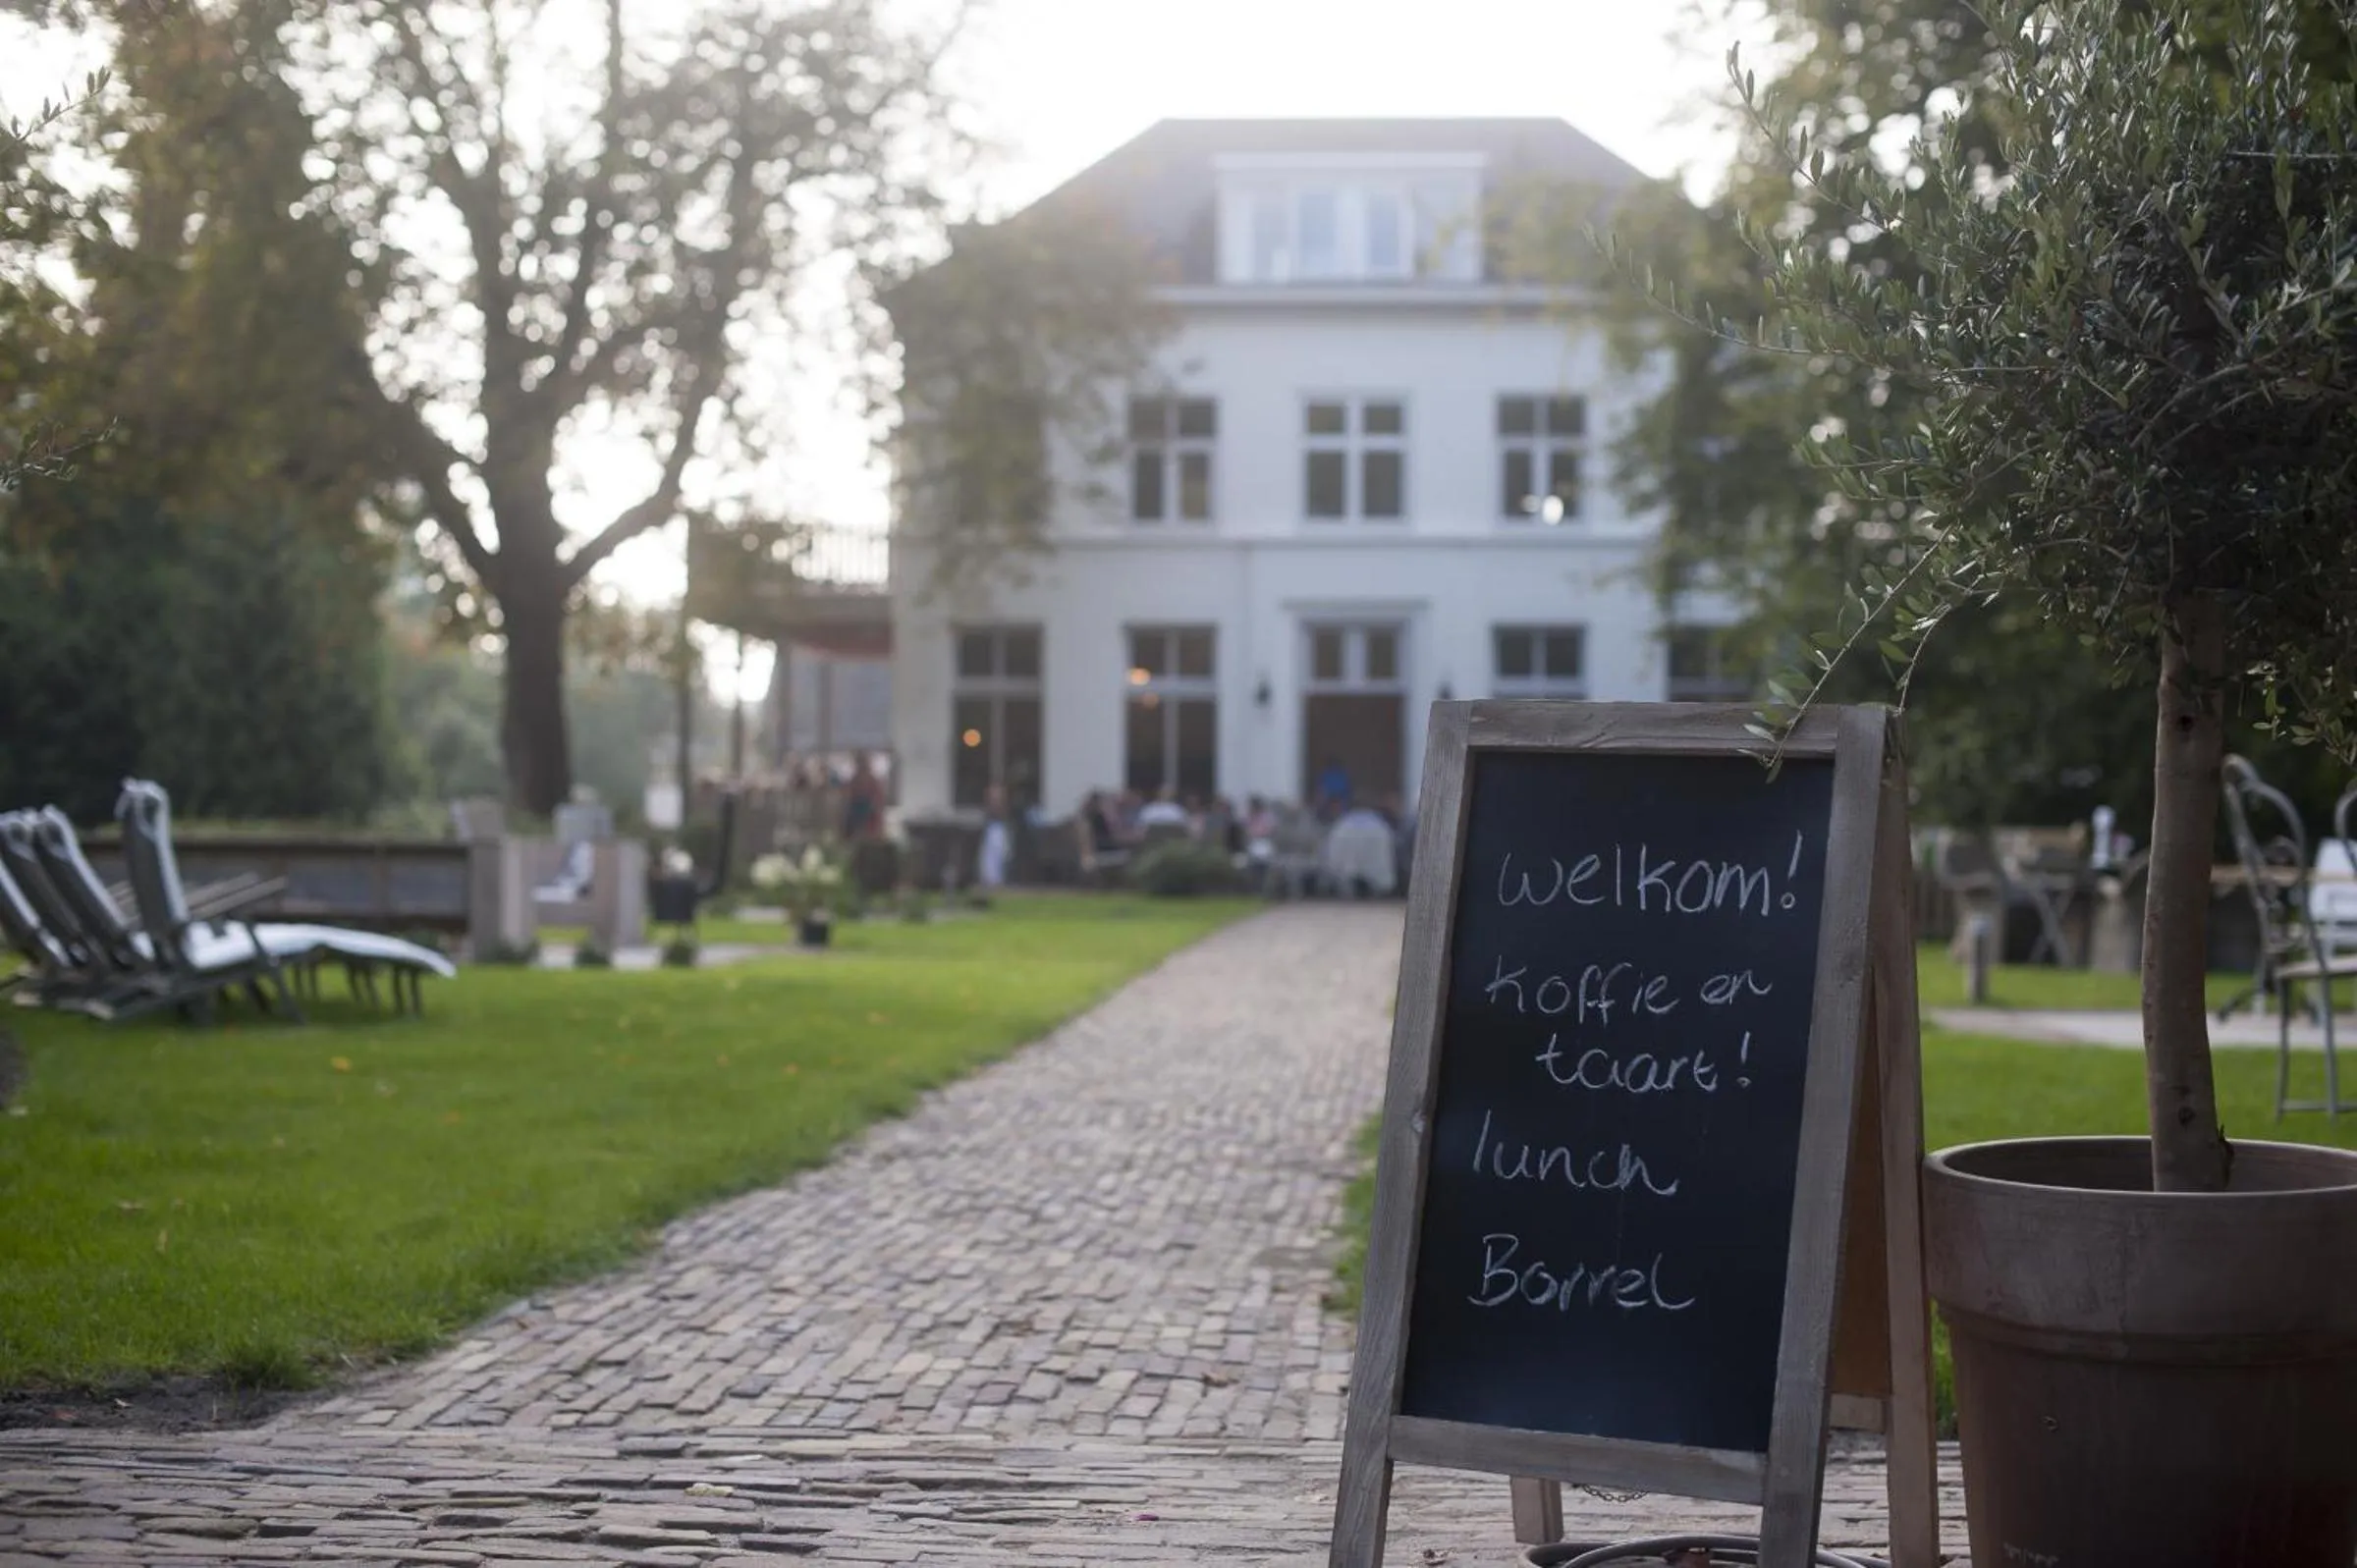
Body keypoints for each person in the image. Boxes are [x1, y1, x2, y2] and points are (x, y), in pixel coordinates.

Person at [842, 754, 885, 841]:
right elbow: (848, 796)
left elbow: (878, 799)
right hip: (856, 813)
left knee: (868, 837)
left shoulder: (873, 781)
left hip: (869, 814)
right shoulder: (854, 780)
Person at [976, 784, 1012, 891]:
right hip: (990, 831)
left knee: (1001, 858)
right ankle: (989, 881)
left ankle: (999, 882)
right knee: (989, 859)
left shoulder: (1004, 810)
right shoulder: (987, 811)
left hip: (1000, 831)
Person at [1314, 755, 1352, 820]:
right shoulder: (1328, 774)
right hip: (1334, 799)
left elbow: (1321, 790)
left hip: (1337, 799)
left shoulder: (1328, 774)